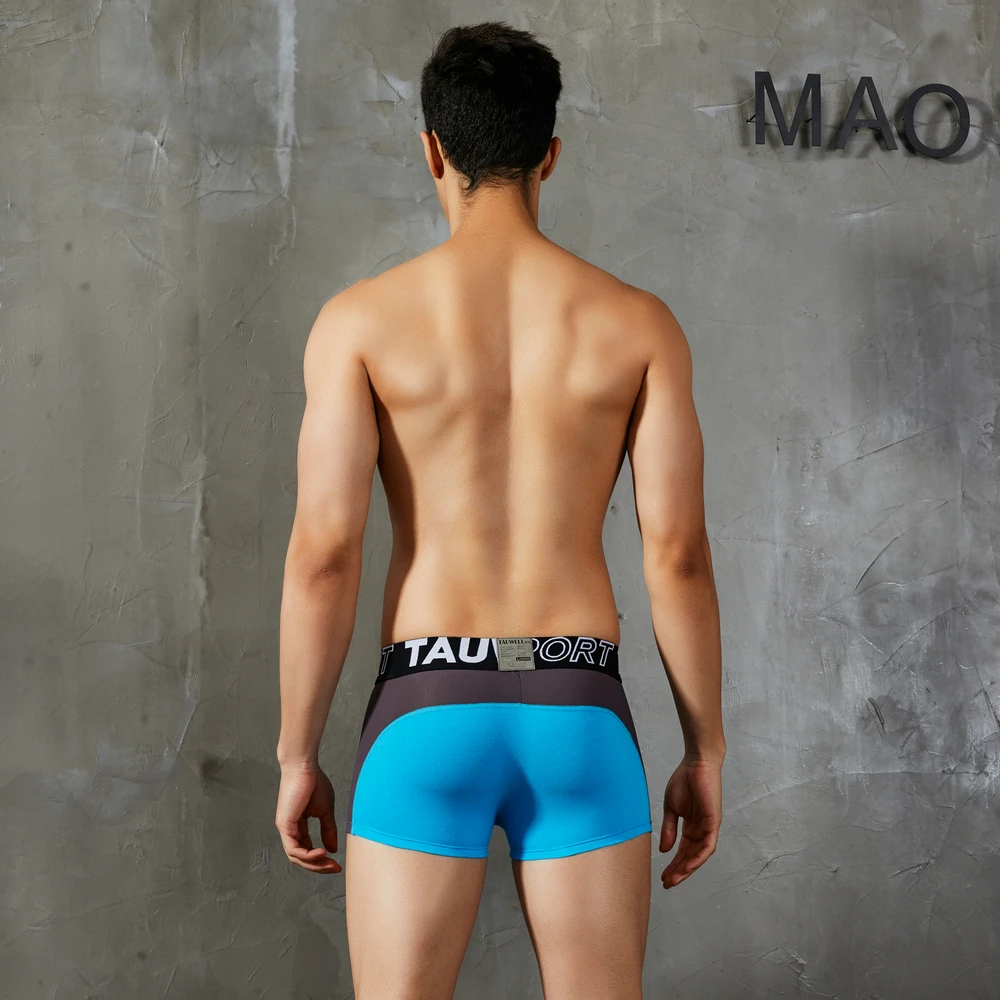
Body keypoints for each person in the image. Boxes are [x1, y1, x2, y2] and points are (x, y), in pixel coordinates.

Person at [274, 20, 725, 1000]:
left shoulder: (359, 322)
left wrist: (296, 753)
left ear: (432, 150)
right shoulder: (638, 324)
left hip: (426, 703)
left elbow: (324, 553)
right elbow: (677, 554)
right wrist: (705, 750)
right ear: (549, 155)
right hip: (577, 702)